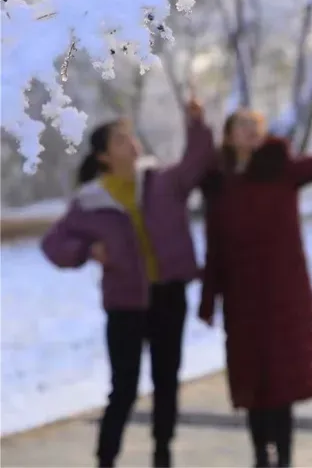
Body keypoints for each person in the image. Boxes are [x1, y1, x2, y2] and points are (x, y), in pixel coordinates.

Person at [197, 108, 312, 468]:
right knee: (251, 382)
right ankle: (260, 457)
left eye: (256, 126)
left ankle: (283, 458)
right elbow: (214, 247)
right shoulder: (219, 185)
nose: (251, 132)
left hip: (283, 295)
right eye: (242, 126)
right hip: (242, 299)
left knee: (281, 382)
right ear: (229, 136)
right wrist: (209, 301)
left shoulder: (280, 170)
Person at [41, 98, 214, 468]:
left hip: (168, 296)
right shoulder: (91, 201)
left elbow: (198, 163)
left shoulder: (164, 182)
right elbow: (53, 244)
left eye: (129, 137)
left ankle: (162, 455)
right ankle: (106, 459)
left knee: (167, 382)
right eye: (120, 140)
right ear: (104, 156)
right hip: (125, 305)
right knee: (124, 389)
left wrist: (197, 123)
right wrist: (87, 250)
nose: (131, 143)